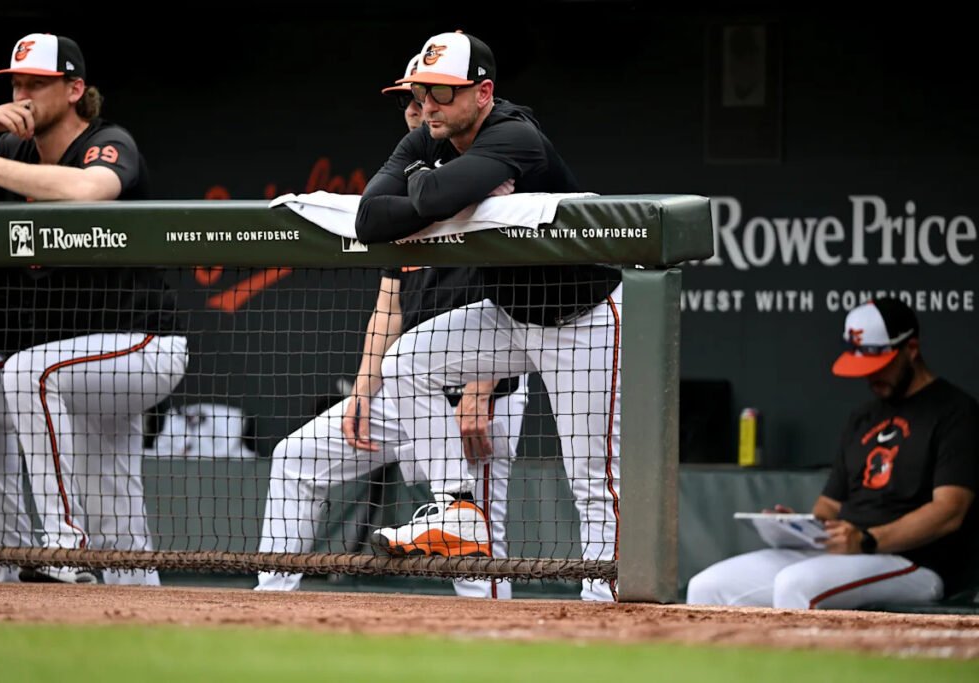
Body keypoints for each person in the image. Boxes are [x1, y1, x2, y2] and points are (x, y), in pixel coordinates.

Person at [355, 31, 623, 602]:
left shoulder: (515, 134)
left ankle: (610, 612)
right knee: (406, 363)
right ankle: (458, 510)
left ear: (483, 92)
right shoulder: (428, 134)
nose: (429, 105)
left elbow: (426, 204)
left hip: (584, 318)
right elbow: (372, 218)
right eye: (423, 93)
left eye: (444, 94)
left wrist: (424, 184)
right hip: (510, 314)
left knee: (593, 481)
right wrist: (429, 184)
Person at [256, 54, 527, 599]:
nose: (414, 108)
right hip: (407, 387)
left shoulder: (484, 175)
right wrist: (363, 388)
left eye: (426, 96)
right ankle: (270, 603)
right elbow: (390, 302)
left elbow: (514, 294)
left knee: (473, 542)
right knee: (295, 459)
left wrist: (483, 390)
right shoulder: (404, 189)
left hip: (474, 388)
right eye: (409, 99)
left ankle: (495, 647)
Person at [0, 33, 189, 585]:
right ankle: (128, 613)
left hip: (142, 345)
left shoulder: (107, 140)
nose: (24, 93)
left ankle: (63, 547)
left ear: (75, 88)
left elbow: (90, 188)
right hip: (76, 360)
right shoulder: (8, 147)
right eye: (16, 82)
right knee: (118, 519)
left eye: (38, 83)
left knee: (30, 373)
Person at [687, 298, 979, 609]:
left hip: (915, 561)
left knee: (796, 584)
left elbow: (950, 511)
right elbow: (830, 503)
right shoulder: (863, 417)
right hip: (843, 552)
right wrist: (801, 527)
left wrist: (868, 540)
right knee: (707, 587)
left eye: (879, 365)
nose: (870, 376)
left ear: (911, 349)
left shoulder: (956, 412)